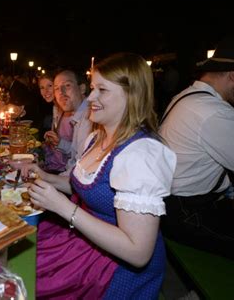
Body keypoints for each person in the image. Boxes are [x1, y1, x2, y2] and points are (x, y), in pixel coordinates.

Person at [18, 53, 176, 298]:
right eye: (92, 88)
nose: (91, 97)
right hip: (83, 241)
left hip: (115, 267)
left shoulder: (141, 155)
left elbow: (138, 252)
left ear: (131, 95)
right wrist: (45, 176)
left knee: (29, 284)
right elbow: (84, 188)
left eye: (102, 90)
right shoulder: (98, 136)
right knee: (18, 260)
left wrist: (63, 208)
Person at [159, 35, 234, 259]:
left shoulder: (188, 96)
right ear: (233, 76)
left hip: (173, 206)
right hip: (187, 214)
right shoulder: (213, 112)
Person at [42, 70, 91, 174]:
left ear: (82, 88)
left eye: (67, 85)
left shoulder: (89, 118)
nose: (61, 92)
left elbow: (79, 173)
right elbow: (74, 154)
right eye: (57, 88)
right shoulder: (75, 114)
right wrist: (58, 142)